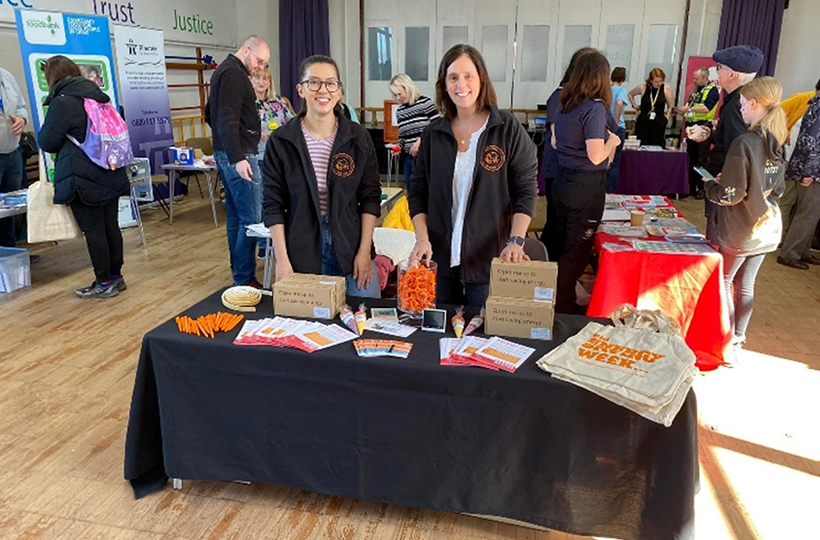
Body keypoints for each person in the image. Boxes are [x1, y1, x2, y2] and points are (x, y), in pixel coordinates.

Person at [408, 44, 537, 307]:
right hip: (439, 262)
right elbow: (418, 192)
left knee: (485, 338)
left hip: (489, 261)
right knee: (440, 338)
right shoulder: (434, 133)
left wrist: (516, 240)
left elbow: (526, 189)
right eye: (453, 77)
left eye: (469, 76)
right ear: (444, 85)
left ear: (481, 79)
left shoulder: (506, 128)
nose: (461, 84)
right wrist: (422, 239)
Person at [263, 55, 381, 298]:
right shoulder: (282, 141)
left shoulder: (358, 138)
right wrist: (282, 260)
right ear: (301, 89)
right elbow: (273, 204)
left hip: (351, 248)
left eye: (330, 83)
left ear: (339, 92)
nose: (322, 90)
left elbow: (370, 197)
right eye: (314, 82)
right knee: (307, 329)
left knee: (366, 325)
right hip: (302, 250)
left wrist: (364, 251)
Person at [702, 76, 787, 358]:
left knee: (725, 282)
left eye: (741, 103)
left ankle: (725, 342)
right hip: (768, 226)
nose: (739, 109)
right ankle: (737, 339)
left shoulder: (744, 142)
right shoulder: (777, 142)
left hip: (742, 227)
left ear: (752, 104)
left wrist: (711, 185)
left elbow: (731, 195)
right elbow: (778, 187)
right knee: (745, 284)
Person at [37, 56, 130, 298]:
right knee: (110, 225)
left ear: (52, 78)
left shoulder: (63, 103)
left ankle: (103, 281)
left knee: (94, 230)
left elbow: (47, 141)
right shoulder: (99, 96)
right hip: (109, 170)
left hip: (82, 175)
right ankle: (115, 277)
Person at [552, 50, 622, 314]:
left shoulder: (565, 104)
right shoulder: (594, 108)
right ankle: (565, 307)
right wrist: (612, 141)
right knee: (577, 250)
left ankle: (559, 299)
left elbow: (555, 142)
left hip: (563, 182)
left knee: (562, 244)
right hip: (585, 186)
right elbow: (595, 157)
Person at [208, 35, 270, 288]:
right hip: (240, 155)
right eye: (258, 60)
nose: (260, 67)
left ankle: (239, 273)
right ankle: (244, 277)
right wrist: (237, 156)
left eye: (264, 64)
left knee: (236, 216)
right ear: (246, 50)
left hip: (230, 152)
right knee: (252, 219)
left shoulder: (223, 71)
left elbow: (210, 114)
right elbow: (226, 117)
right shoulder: (233, 74)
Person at [701, 45, 764, 245]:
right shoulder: (741, 100)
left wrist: (728, 178)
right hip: (729, 181)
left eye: (719, 67)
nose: (716, 71)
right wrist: (710, 134)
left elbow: (739, 147)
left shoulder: (738, 103)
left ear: (732, 74)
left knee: (717, 242)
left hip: (725, 184)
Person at [540, 47, 596, 260]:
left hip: (573, 174)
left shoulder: (586, 103)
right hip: (560, 171)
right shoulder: (560, 97)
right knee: (557, 225)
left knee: (566, 227)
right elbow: (557, 140)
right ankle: (551, 269)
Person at [777, 79, 820, 270]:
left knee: (811, 212)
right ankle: (790, 253)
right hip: (813, 171)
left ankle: (803, 250)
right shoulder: (816, 106)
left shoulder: (814, 104)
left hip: (811, 169)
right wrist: (810, 171)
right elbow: (812, 142)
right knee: (807, 213)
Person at [251, 66, 294, 259]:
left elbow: (293, 124)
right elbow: (241, 130)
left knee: (283, 200)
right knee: (261, 204)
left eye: (265, 79)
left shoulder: (278, 103)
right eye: (258, 78)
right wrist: (260, 135)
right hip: (257, 157)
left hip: (280, 159)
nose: (261, 82)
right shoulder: (247, 104)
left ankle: (284, 242)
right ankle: (263, 246)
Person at [389, 73, 439, 195]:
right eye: (395, 95)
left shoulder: (425, 103)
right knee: (412, 193)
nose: (398, 97)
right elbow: (403, 137)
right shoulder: (400, 111)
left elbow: (438, 127)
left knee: (428, 193)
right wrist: (398, 146)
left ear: (408, 87)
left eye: (399, 93)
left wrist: (421, 140)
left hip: (427, 157)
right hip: (409, 159)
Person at [677, 67, 719, 199]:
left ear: (705, 78)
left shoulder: (712, 91)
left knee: (701, 159)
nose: (694, 80)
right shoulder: (695, 91)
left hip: (703, 127)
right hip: (691, 127)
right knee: (691, 157)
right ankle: (689, 187)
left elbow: (707, 108)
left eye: (696, 78)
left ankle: (702, 188)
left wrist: (688, 108)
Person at [0, 66, 28, 248]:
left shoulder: (5, 74)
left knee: (9, 209)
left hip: (12, 152)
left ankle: (11, 252)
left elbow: (21, 107)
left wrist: (21, 119)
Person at [628, 68, 674, 147]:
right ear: (651, 80)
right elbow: (630, 94)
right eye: (656, 82)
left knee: (657, 144)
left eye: (661, 81)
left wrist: (667, 117)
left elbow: (671, 105)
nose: (659, 84)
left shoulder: (666, 88)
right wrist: (635, 105)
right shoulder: (643, 87)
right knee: (643, 143)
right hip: (644, 120)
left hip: (659, 120)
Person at [608, 66, 628, 192]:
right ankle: (611, 191)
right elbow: (619, 103)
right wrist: (615, 120)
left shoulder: (606, 90)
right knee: (615, 161)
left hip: (605, 126)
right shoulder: (621, 90)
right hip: (617, 127)